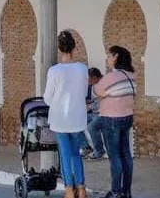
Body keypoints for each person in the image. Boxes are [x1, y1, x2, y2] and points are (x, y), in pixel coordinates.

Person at [43, 30, 89, 198]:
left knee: (64, 155)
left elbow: (47, 98)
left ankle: (69, 190)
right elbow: (84, 92)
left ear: (59, 49)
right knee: (76, 154)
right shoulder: (83, 69)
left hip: (60, 119)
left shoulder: (54, 71)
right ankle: (82, 188)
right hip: (78, 117)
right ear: (74, 48)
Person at [94, 46, 136, 198]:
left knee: (115, 157)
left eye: (109, 56)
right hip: (127, 118)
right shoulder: (131, 75)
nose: (107, 58)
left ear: (116, 57)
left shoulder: (111, 77)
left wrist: (104, 93)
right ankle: (126, 191)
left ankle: (116, 192)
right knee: (126, 154)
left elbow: (96, 90)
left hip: (111, 119)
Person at [81, 68, 106, 160]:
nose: (87, 81)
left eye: (89, 79)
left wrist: (90, 106)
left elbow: (102, 101)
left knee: (92, 127)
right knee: (76, 123)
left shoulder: (104, 84)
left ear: (95, 77)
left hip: (102, 113)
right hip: (94, 112)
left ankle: (99, 151)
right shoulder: (94, 85)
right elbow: (96, 100)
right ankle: (86, 147)